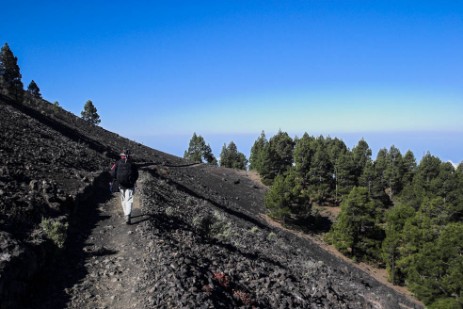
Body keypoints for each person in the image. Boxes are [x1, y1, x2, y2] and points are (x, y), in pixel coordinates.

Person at [110, 150, 139, 224]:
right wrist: (133, 181)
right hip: (130, 185)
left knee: (123, 199)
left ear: (121, 155)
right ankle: (128, 214)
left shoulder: (117, 163)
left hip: (121, 184)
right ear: (130, 156)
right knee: (129, 199)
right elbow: (136, 175)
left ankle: (126, 213)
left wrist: (117, 179)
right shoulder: (132, 164)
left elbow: (112, 174)